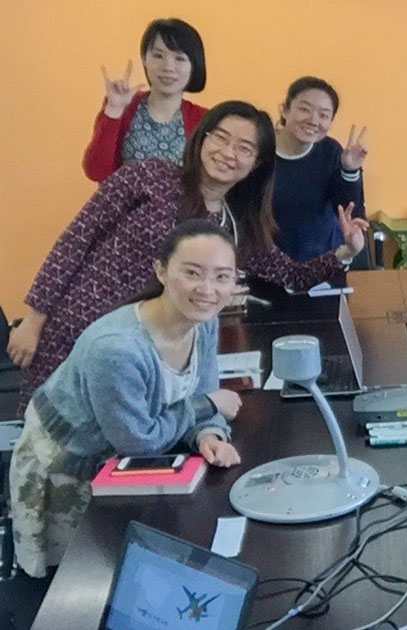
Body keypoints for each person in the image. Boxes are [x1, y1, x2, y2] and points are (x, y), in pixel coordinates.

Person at [8, 101, 367, 411]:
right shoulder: (148, 175)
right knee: (51, 452)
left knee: (117, 464)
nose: (228, 153)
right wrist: (34, 320)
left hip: (147, 359)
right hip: (75, 332)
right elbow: (76, 239)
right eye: (221, 138)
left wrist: (344, 252)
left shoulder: (233, 224)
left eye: (244, 148)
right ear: (202, 138)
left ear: (257, 163)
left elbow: (291, 276)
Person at [9, 220, 244, 578]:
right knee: (83, 578)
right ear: (161, 271)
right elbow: (139, 440)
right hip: (70, 464)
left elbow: (202, 390)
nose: (207, 289)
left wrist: (208, 434)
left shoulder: (203, 320)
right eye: (192, 273)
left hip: (123, 456)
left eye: (222, 277)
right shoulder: (116, 349)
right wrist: (209, 407)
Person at [83, 18, 209, 182]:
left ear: (194, 65)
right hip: (124, 206)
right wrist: (113, 111)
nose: (168, 67)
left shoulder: (205, 120)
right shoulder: (124, 107)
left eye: (180, 59)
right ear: (144, 59)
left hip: (180, 208)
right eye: (158, 55)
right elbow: (96, 172)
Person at [272, 76, 369, 262]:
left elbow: (350, 212)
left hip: (321, 264)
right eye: (304, 109)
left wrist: (349, 170)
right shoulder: (261, 147)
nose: (313, 120)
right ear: (284, 110)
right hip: (264, 267)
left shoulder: (331, 151)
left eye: (323, 115)